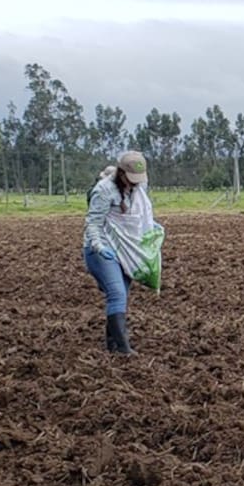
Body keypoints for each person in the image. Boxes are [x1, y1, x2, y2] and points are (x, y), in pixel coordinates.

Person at [84, 151, 151, 354]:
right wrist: (99, 247)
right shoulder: (103, 190)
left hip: (126, 249)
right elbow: (93, 223)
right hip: (101, 249)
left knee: (120, 296)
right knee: (117, 293)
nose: (134, 184)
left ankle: (112, 344)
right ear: (121, 173)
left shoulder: (139, 188)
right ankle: (123, 348)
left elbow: (140, 215)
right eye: (130, 179)